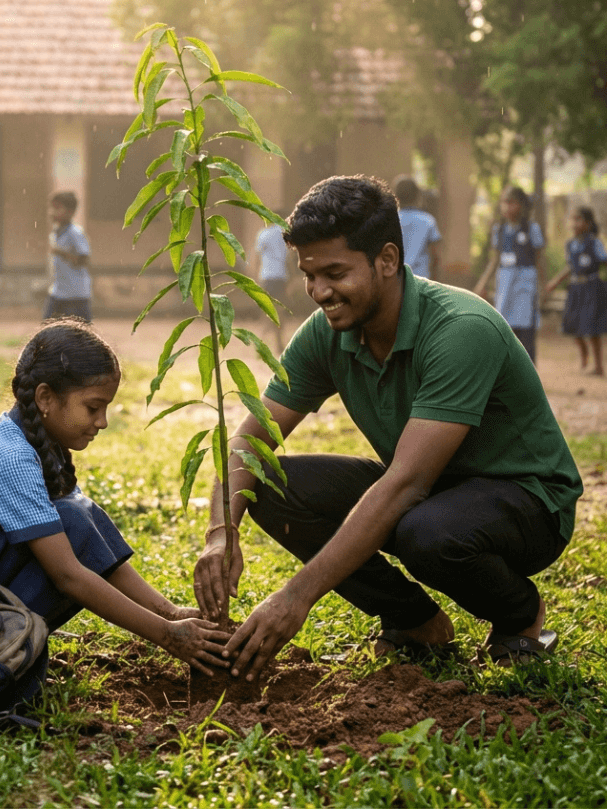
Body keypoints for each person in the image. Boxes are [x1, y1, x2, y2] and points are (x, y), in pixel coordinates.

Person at [193, 175, 582, 678]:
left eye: (334, 272)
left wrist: (295, 598)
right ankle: (413, 620)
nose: (319, 292)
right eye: (309, 275)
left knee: (428, 531)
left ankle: (521, 619)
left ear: (388, 260)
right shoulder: (327, 333)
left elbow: (406, 485)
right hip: (430, 492)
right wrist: (221, 532)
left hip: (527, 501)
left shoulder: (460, 330)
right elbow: (250, 438)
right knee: (269, 484)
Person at [0, 319, 230, 674]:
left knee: (79, 514)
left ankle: (6, 648)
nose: (102, 421)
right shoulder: (8, 456)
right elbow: (68, 575)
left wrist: (171, 613)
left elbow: (90, 540)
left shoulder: (38, 446)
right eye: (93, 407)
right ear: (45, 397)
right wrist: (167, 635)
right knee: (70, 524)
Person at [474, 185, 546, 363]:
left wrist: (543, 287)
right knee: (504, 327)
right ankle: (507, 373)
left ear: (522, 204)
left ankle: (529, 372)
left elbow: (539, 260)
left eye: (511, 202)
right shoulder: (499, 229)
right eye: (504, 202)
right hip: (505, 282)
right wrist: (483, 283)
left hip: (525, 281)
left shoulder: (531, 229)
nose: (506, 207)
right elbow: (495, 259)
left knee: (525, 328)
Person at [544, 206, 607, 376]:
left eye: (578, 219)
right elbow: (570, 267)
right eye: (572, 219)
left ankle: (599, 367)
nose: (574, 223)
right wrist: (555, 281)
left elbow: (604, 260)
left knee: (593, 328)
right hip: (576, 289)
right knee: (572, 324)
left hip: (592, 288)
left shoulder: (594, 242)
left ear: (588, 223)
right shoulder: (570, 244)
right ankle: (583, 352)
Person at [44, 191, 92, 323]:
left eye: (57, 208)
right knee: (46, 332)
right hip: (58, 292)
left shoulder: (74, 233)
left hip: (76, 296)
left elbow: (84, 259)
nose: (52, 212)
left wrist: (61, 253)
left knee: (82, 336)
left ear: (70, 211)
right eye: (51, 207)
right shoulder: (55, 233)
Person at [392, 175, 442, 280]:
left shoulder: (391, 220)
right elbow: (435, 256)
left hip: (395, 280)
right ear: (417, 196)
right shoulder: (428, 220)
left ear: (396, 196)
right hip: (421, 280)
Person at [255, 216, 291, 352]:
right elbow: (289, 258)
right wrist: (291, 278)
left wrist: (255, 277)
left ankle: (261, 343)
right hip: (281, 277)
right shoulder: (283, 233)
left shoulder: (263, 234)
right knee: (280, 311)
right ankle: (279, 344)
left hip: (266, 277)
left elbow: (257, 257)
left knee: (266, 311)